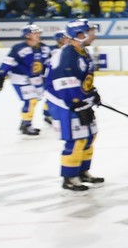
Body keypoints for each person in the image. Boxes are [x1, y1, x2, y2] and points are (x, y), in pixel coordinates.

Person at [44, 19, 104, 192]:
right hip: (65, 103)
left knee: (90, 135)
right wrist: (77, 104)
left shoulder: (81, 51)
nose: (94, 34)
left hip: (79, 100)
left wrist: (92, 94)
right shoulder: (68, 54)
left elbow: (83, 79)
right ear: (80, 34)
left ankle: (82, 171)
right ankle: (69, 177)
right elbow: (64, 82)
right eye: (90, 31)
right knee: (77, 139)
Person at [0, 24, 47, 136]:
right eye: (35, 33)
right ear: (27, 35)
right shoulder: (18, 48)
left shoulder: (44, 48)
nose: (38, 35)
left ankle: (24, 122)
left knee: (35, 101)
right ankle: (26, 125)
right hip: (20, 78)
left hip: (36, 78)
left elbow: (49, 64)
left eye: (38, 33)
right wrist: (0, 77)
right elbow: (7, 62)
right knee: (30, 100)